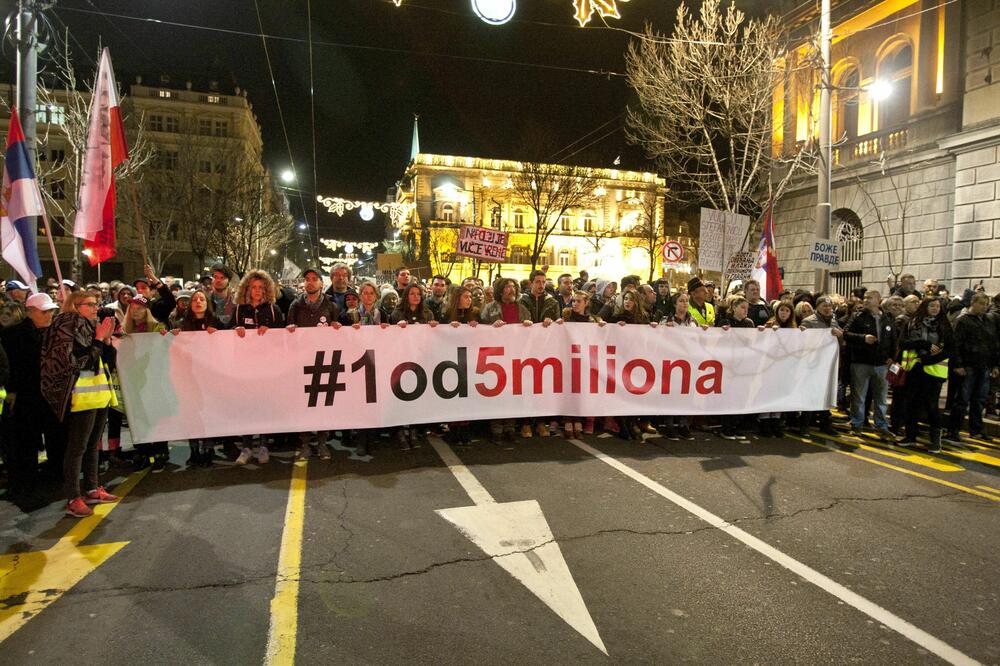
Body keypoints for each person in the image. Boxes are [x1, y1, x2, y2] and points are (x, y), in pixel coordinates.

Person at [40, 291, 119, 518]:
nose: (96, 308)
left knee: (93, 445)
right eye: (90, 304)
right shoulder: (67, 324)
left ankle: (92, 488)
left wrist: (104, 339)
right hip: (80, 395)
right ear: (75, 306)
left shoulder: (89, 325)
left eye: (97, 303)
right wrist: (98, 339)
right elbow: (78, 361)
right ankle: (74, 497)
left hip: (98, 394)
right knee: (77, 448)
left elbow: (106, 360)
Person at [288, 268, 341, 460]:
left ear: (321, 283)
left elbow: (340, 331)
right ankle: (305, 444)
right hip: (302, 361)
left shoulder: (331, 305)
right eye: (307, 279)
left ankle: (322, 443)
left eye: (314, 279)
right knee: (303, 404)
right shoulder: (296, 305)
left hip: (323, 361)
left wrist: (337, 327)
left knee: (322, 404)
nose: (310, 282)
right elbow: (288, 332)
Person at [233, 270, 285, 465]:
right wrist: (234, 330)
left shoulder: (273, 310)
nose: (257, 291)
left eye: (261, 288)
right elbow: (226, 331)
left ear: (267, 290)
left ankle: (264, 445)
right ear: (247, 288)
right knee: (246, 406)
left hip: (267, 368)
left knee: (264, 405)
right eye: (253, 287)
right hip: (244, 368)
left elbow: (283, 337)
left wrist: (271, 332)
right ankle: (246, 447)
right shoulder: (239, 310)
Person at [169, 290, 223, 466]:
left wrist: (219, 334)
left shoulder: (217, 322)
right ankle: (194, 450)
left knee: (208, 412)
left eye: (201, 299)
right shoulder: (183, 324)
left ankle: (208, 449)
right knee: (191, 412)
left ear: (207, 303)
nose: (198, 302)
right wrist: (170, 335)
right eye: (194, 300)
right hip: (189, 376)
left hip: (210, 375)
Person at [897, 297, 952, 452]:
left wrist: (928, 359)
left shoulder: (944, 325)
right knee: (912, 404)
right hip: (914, 369)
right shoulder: (912, 322)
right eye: (932, 305)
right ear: (924, 307)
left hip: (933, 370)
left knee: (931, 406)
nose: (935, 308)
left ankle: (935, 442)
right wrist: (923, 344)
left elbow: (950, 349)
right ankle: (910, 437)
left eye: (938, 306)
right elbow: (902, 343)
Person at [480, 278, 531, 441]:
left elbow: (530, 334)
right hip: (495, 357)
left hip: (516, 357)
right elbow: (479, 329)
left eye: (513, 287)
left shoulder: (523, 310)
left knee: (512, 393)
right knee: (496, 393)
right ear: (500, 291)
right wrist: (491, 327)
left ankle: (509, 428)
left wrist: (529, 325)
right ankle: (496, 429)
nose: (511, 290)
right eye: (507, 287)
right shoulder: (489, 308)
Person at [844, 290, 896, 439]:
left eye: (870, 298)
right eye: (865, 297)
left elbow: (893, 339)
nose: (866, 300)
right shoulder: (858, 316)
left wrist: (892, 357)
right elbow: (846, 334)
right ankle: (857, 424)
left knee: (881, 397)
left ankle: (881, 425)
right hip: (861, 363)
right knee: (859, 396)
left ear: (879, 300)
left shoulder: (887, 317)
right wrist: (863, 338)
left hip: (882, 364)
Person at [947, 292, 998, 443]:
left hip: (984, 366)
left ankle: (976, 429)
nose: (984, 307)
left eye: (986, 304)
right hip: (968, 366)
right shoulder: (962, 321)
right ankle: (953, 430)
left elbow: (993, 344)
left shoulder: (987, 321)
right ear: (973, 303)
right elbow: (956, 344)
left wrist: (995, 365)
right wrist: (957, 364)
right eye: (981, 303)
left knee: (979, 399)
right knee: (962, 400)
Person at [348, 282, 388, 455]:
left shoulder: (383, 314)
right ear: (360, 296)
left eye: (371, 293)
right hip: (358, 362)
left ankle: (372, 439)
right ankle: (361, 440)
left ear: (376, 296)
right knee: (360, 403)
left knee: (375, 402)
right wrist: (349, 330)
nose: (368, 296)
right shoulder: (350, 314)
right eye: (365, 293)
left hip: (378, 362)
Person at [799, 296, 845, 437]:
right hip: (813, 364)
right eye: (824, 306)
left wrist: (840, 334)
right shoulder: (809, 321)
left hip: (829, 364)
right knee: (811, 394)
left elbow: (842, 340)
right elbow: (803, 341)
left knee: (826, 394)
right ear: (817, 307)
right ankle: (804, 425)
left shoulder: (833, 321)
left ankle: (825, 424)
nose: (827, 309)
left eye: (829, 306)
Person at [658, 292, 697, 441]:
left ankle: (683, 425)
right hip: (671, 363)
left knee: (686, 394)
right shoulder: (666, 320)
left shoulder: (693, 322)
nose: (684, 304)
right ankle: (669, 425)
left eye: (686, 301)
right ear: (674, 304)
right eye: (681, 301)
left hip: (688, 363)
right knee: (671, 394)